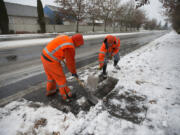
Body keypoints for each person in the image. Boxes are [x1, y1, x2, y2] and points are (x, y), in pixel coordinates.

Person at [41, 33, 84, 102]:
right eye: (78, 45)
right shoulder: (70, 47)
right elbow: (70, 62)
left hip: (44, 56)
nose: (77, 47)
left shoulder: (65, 37)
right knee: (61, 79)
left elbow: (58, 47)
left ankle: (51, 91)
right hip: (51, 60)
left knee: (51, 77)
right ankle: (67, 96)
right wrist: (74, 72)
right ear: (77, 42)